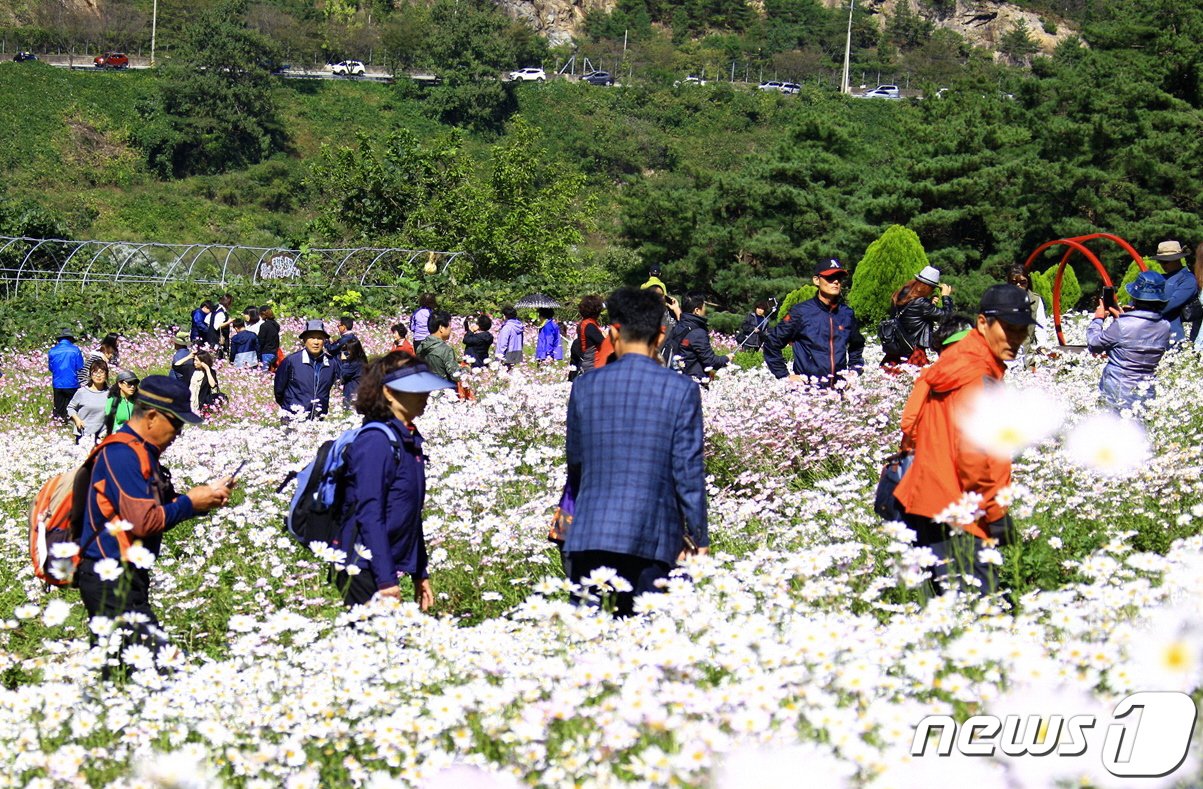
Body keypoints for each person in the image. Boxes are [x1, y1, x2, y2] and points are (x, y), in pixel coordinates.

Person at [563, 287, 710, 617]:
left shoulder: (584, 386)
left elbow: (576, 463)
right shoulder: (682, 389)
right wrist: (699, 534)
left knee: (588, 643)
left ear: (614, 332)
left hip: (590, 534)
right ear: (660, 335)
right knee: (645, 649)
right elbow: (688, 471)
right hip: (653, 538)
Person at [76, 376, 232, 669]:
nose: (178, 433)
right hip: (110, 576)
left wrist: (203, 500)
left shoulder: (141, 452)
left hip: (125, 574)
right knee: (160, 668)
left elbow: (152, 512)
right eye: (176, 424)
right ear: (151, 416)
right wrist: (190, 503)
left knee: (120, 672)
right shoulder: (122, 453)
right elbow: (143, 522)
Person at [892, 285, 1035, 597]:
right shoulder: (978, 376)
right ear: (982, 323)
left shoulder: (953, 360)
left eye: (1022, 331)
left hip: (925, 498)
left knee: (941, 602)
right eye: (1008, 329)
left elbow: (913, 426)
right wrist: (996, 514)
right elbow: (976, 455)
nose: (1015, 340)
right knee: (979, 605)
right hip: (961, 508)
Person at [334, 353, 454, 608]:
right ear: (388, 392)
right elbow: (369, 513)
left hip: (386, 563)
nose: (426, 395)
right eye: (416, 388)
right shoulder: (376, 441)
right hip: (364, 566)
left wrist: (420, 573)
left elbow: (410, 512)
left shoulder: (408, 438)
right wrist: (386, 581)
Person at [762, 259, 866, 386]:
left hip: (839, 392)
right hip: (807, 393)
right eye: (830, 277)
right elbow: (772, 343)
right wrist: (785, 375)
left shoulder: (846, 313)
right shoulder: (801, 312)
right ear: (816, 280)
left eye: (839, 277)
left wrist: (854, 371)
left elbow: (857, 344)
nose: (836, 281)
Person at [1086, 271, 1172, 413]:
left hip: (1118, 389)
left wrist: (1098, 319)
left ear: (1135, 297)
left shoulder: (1123, 325)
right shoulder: (1165, 326)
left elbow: (1094, 344)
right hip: (1146, 389)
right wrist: (1124, 317)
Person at [882, 267, 954, 368]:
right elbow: (947, 316)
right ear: (928, 287)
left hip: (895, 349)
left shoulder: (899, 295)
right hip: (913, 351)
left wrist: (929, 303)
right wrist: (946, 297)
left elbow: (911, 315)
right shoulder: (921, 303)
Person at [274, 320, 342, 419]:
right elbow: (279, 391)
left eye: (319, 338)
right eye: (311, 337)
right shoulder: (291, 361)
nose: (316, 342)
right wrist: (289, 406)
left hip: (318, 417)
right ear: (304, 340)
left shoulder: (331, 363)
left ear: (324, 340)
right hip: (293, 417)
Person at [666, 290, 729, 385]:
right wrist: (726, 358)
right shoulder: (698, 333)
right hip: (694, 382)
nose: (705, 309)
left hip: (677, 378)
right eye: (704, 306)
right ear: (697, 310)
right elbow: (710, 361)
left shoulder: (678, 326)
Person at [1150, 240, 1198, 342]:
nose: (1162, 265)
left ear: (1177, 259)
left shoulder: (1188, 279)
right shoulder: (1159, 277)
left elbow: (1169, 305)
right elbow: (1139, 296)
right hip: (1151, 334)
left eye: (1165, 261)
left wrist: (1141, 309)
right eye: (1160, 261)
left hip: (1172, 336)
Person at [1006, 265, 1051, 360]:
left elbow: (1040, 326)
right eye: (1014, 283)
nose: (1018, 286)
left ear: (1028, 282)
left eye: (1022, 282)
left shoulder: (1035, 300)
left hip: (1027, 353)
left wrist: (1041, 347)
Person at [68, 359, 110, 445]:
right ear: (90, 374)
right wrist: (77, 420)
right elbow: (70, 408)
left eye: (102, 372)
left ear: (106, 374)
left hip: (102, 436)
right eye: (95, 372)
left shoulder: (110, 394)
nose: (98, 375)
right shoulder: (82, 392)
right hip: (84, 434)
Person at [48, 328, 84, 423]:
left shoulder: (52, 351)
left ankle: (59, 423)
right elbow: (80, 366)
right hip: (72, 382)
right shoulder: (75, 350)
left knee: (59, 407)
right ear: (70, 339)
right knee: (72, 406)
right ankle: (71, 423)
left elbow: (51, 368)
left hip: (57, 383)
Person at [416, 311, 461, 383]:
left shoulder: (420, 347)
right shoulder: (446, 350)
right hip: (444, 390)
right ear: (441, 328)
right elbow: (456, 376)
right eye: (449, 326)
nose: (450, 329)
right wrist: (466, 369)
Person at [569, 296, 605, 382]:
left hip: (586, 361)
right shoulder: (590, 326)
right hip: (594, 363)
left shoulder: (582, 324)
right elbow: (604, 343)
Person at [104, 371, 139, 436]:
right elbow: (111, 423)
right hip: (118, 437)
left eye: (135, 383)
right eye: (129, 383)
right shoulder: (112, 401)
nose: (132, 387)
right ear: (120, 384)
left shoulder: (136, 401)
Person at [339, 337, 367, 408]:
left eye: (348, 350)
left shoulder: (353, 365)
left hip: (352, 394)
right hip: (360, 392)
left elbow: (342, 376)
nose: (346, 353)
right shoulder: (362, 360)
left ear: (353, 351)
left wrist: (344, 361)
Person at [257, 305, 281, 371]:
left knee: (264, 374)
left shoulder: (264, 326)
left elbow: (260, 341)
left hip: (266, 353)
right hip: (274, 353)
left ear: (262, 314)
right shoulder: (276, 325)